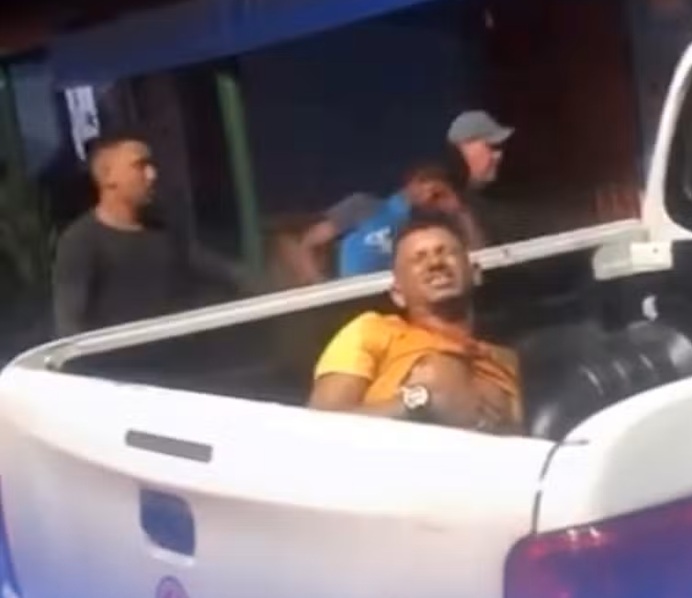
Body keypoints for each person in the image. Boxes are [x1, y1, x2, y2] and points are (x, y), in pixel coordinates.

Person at [309, 212, 521, 434]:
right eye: (418, 259)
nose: (435, 263)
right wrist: (417, 403)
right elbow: (318, 431)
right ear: (398, 293)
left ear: (475, 273)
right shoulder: (370, 331)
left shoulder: (505, 361)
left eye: (446, 252)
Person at [52, 131, 260, 337]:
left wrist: (262, 287)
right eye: (139, 166)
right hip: (121, 357)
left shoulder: (163, 229)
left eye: (151, 165)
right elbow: (71, 326)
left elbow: (217, 269)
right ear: (108, 177)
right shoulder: (80, 241)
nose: (152, 175)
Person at [295, 162, 486, 282]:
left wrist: (460, 211)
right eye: (431, 191)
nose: (429, 199)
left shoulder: (432, 231)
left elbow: (479, 259)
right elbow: (309, 243)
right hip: (352, 298)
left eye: (438, 196)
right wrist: (322, 287)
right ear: (413, 183)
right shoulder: (364, 206)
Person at [447, 110, 517, 244]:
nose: (499, 155)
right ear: (463, 150)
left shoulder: (504, 199)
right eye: (491, 147)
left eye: (500, 148)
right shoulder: (444, 206)